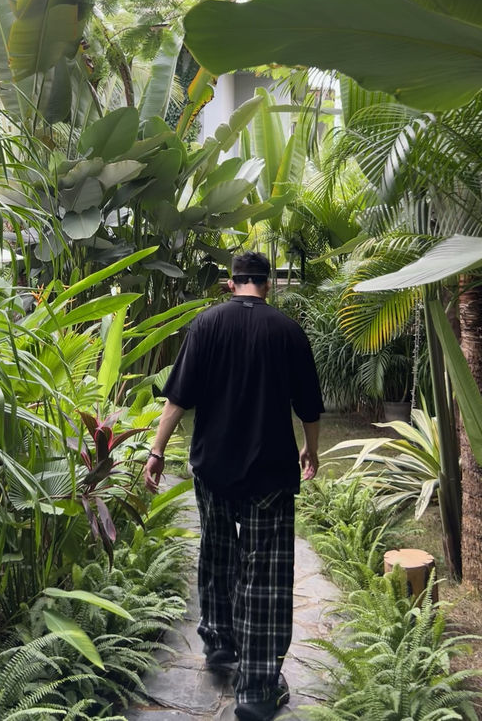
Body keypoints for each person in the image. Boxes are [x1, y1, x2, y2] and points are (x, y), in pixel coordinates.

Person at [144, 251, 324, 721]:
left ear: (231, 283)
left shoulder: (206, 326)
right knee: (266, 577)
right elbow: (309, 406)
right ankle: (258, 690)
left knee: (218, 554)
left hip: (214, 468)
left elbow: (177, 399)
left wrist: (157, 451)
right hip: (271, 471)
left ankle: (220, 646)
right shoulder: (288, 331)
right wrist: (311, 449)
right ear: (267, 284)